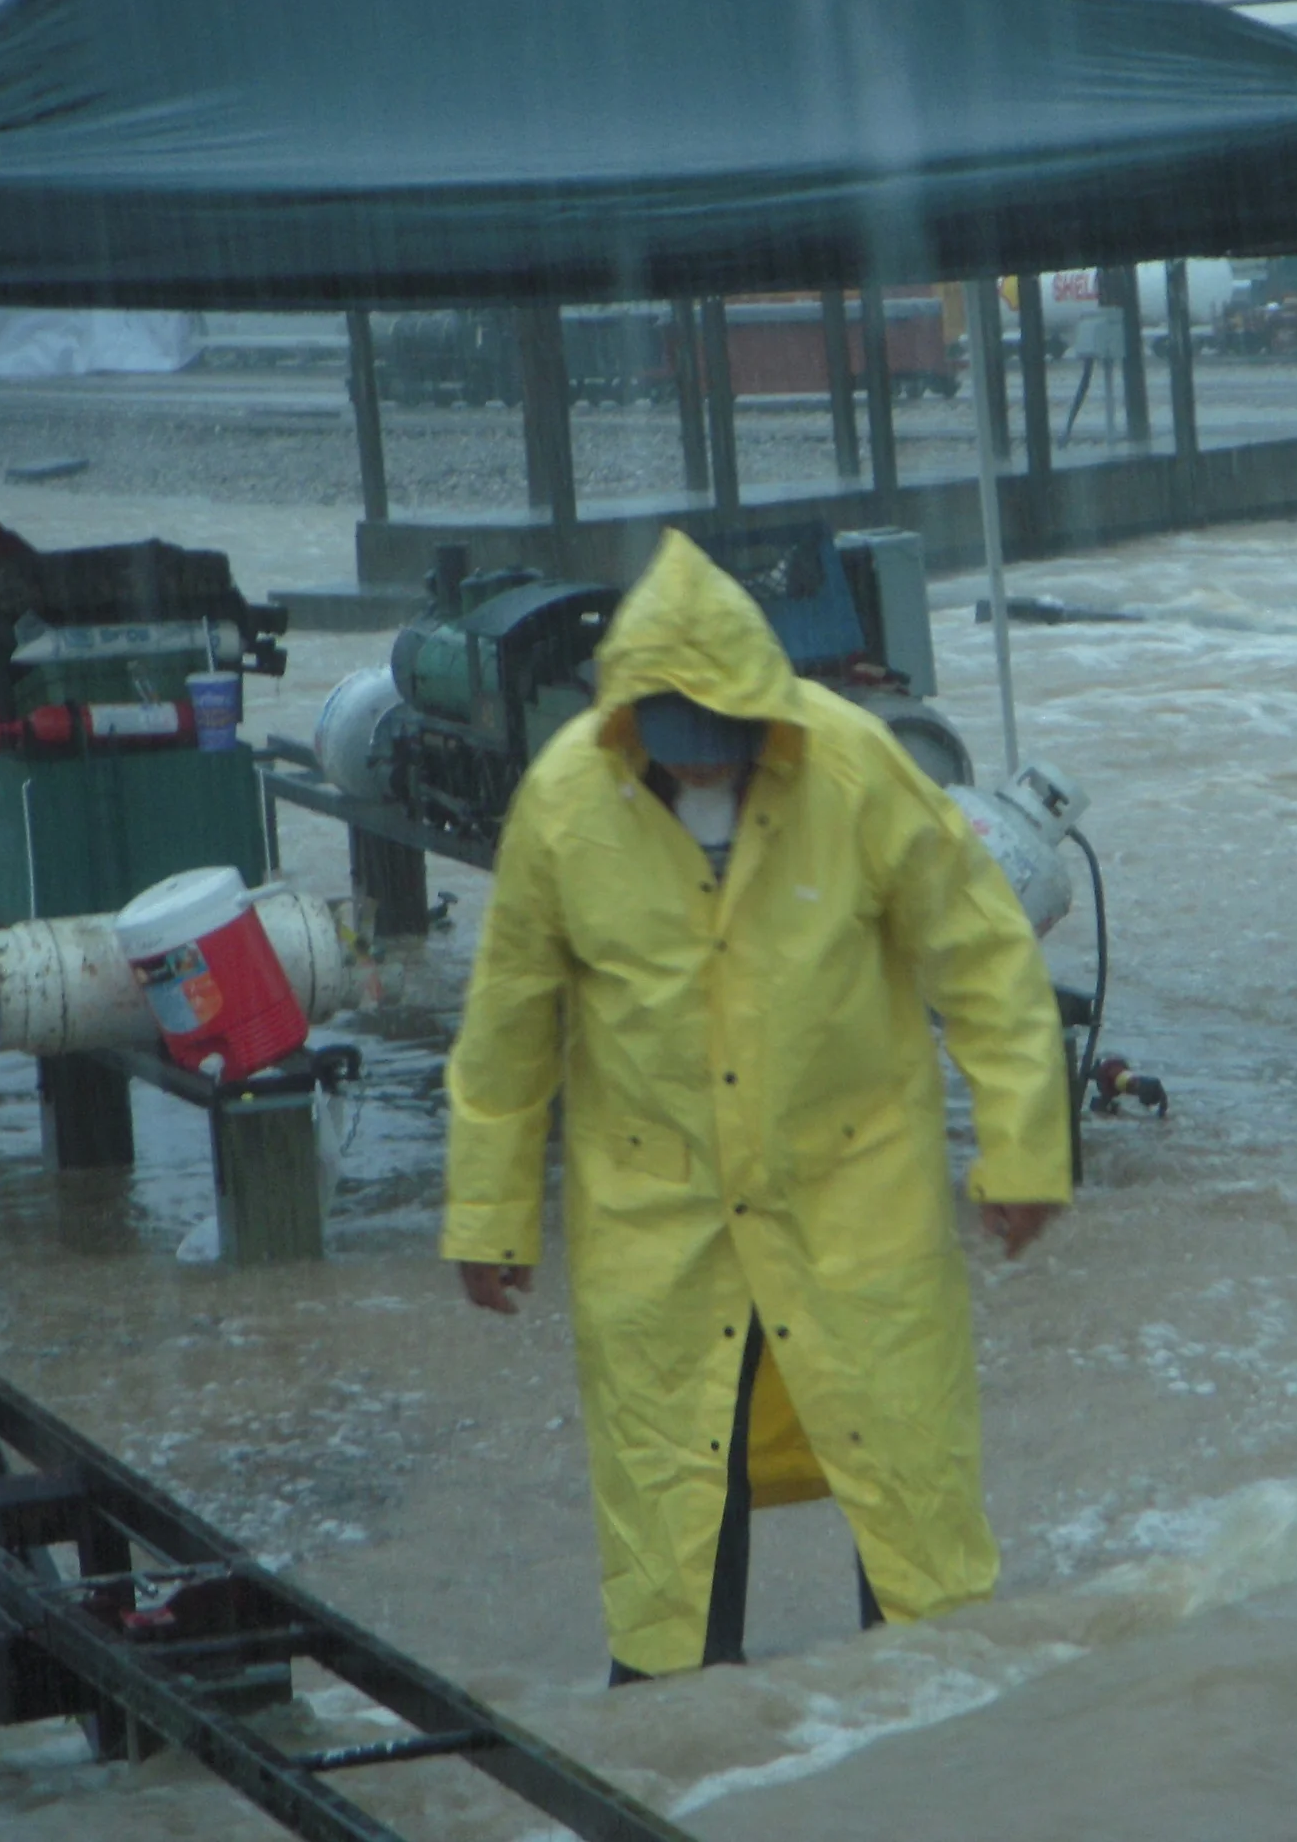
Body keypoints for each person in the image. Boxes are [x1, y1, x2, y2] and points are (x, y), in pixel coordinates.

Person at [442, 529, 1069, 1680]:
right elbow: (508, 1025)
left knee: (914, 1521)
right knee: (672, 1520)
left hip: (853, 1192)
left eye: (723, 744)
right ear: (625, 723)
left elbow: (983, 955)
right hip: (657, 1212)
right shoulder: (565, 803)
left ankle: (931, 1752)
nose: (701, 767)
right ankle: (691, 1767)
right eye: (674, 749)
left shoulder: (854, 766)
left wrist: (1024, 1153)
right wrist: (487, 1219)